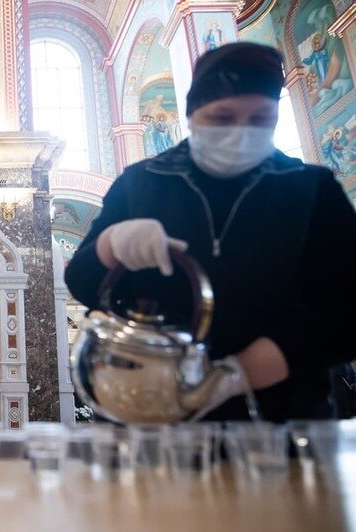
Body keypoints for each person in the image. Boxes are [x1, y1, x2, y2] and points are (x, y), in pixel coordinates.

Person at [65, 43, 356, 422]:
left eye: (260, 118)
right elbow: (82, 282)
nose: (241, 131)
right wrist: (110, 245)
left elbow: (347, 307)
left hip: (285, 415)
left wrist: (242, 372)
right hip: (151, 412)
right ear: (192, 115)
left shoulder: (311, 187)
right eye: (223, 117)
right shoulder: (142, 183)